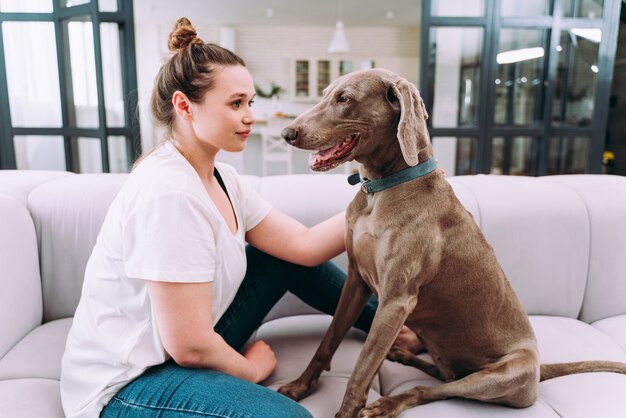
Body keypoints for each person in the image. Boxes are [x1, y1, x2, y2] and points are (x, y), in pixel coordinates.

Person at [60, 17, 421, 418]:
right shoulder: (168, 192)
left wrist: (394, 189)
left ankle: (405, 333)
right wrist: (251, 370)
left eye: (250, 101)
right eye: (236, 104)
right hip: (129, 383)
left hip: (182, 347)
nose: (250, 115)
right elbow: (189, 345)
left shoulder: (223, 178)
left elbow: (303, 247)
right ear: (184, 107)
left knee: (280, 258)